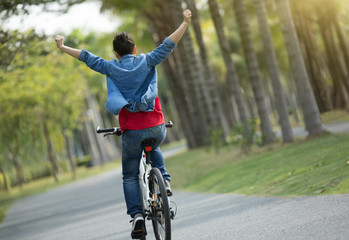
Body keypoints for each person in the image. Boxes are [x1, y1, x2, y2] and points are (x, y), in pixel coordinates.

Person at [55, 9, 192, 237]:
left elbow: (87, 57)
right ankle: (165, 182)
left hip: (132, 131)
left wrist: (62, 47)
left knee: (129, 175)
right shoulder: (147, 60)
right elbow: (169, 44)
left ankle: (137, 216)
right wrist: (185, 22)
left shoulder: (111, 67)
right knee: (154, 145)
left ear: (116, 53)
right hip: (156, 127)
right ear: (135, 49)